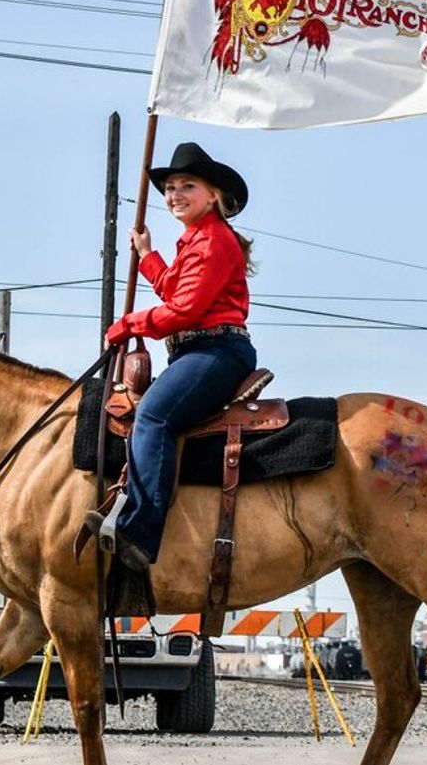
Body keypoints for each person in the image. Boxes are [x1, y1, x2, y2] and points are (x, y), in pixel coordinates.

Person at [87, 142, 258, 570]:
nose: (175, 194)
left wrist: (126, 325)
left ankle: (140, 532)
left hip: (217, 349)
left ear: (213, 195)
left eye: (187, 186)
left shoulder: (214, 241)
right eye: (169, 187)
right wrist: (148, 255)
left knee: (154, 417)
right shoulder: (196, 240)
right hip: (198, 350)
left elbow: (183, 311)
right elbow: (174, 290)